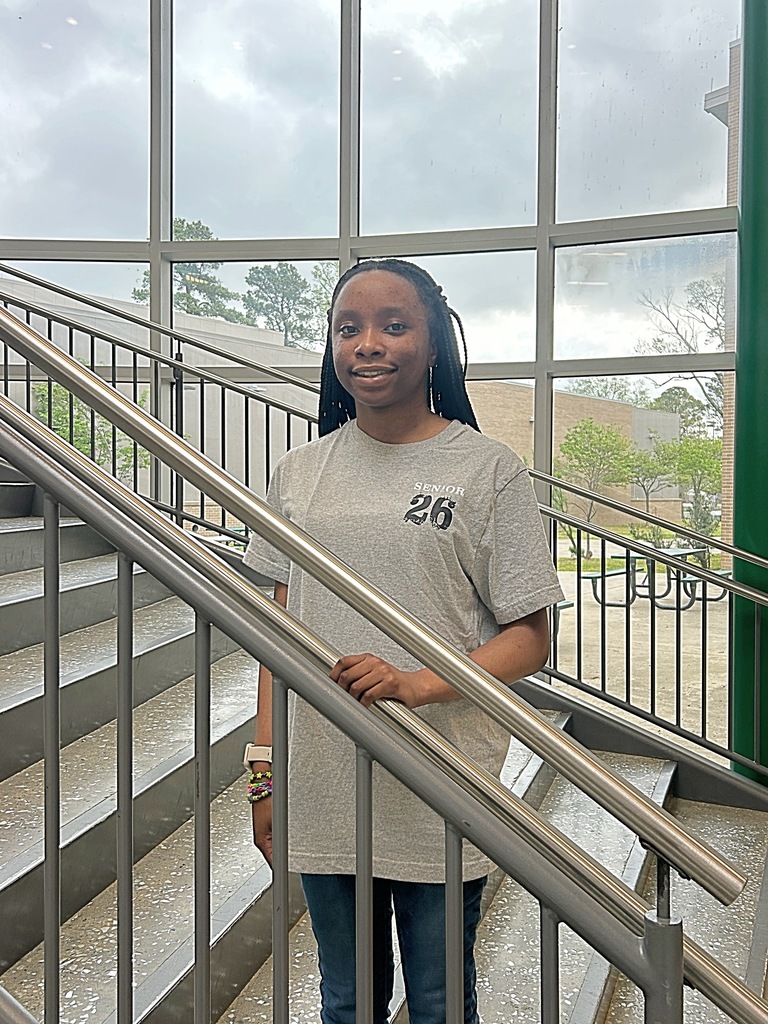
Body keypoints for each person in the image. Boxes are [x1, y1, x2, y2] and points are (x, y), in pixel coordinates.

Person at [243, 258, 564, 1024]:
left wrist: (416, 682)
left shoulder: (487, 469)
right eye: (348, 328)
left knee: (438, 999)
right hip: (324, 779)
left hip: (441, 778)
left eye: (393, 325)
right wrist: (262, 767)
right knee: (346, 999)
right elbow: (276, 635)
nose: (368, 344)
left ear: (432, 345)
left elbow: (529, 637)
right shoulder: (299, 473)